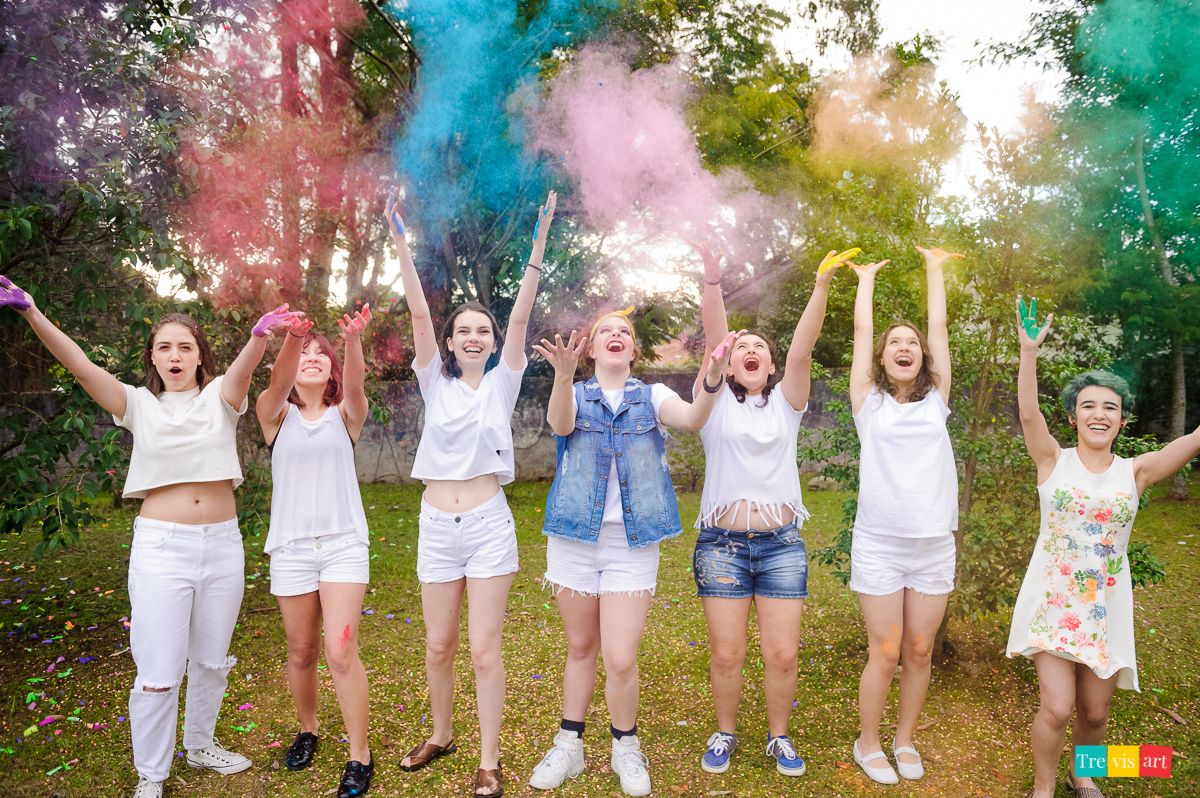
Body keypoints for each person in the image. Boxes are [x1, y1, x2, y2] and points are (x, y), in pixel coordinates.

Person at [0, 276, 296, 798]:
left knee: (209, 659)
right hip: (162, 548)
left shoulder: (221, 398)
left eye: (185, 346)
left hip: (223, 546)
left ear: (200, 358)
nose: (175, 355)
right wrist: (31, 313)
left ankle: (200, 745)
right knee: (159, 670)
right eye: (165, 347)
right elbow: (81, 367)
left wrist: (259, 339)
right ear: (154, 359)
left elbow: (245, 371)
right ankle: (152, 775)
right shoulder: (136, 404)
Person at [385, 191, 556, 798]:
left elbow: (520, 318)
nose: (476, 336)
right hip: (436, 524)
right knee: (438, 645)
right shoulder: (434, 380)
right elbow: (417, 314)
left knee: (484, 651)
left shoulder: (505, 383)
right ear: (452, 342)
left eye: (483, 329)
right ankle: (440, 734)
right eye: (466, 330)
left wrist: (537, 246)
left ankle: (489, 759)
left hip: (487, 522)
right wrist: (402, 244)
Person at [526, 309, 737, 797]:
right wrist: (561, 376)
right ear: (592, 350)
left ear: (633, 350)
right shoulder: (576, 393)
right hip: (574, 541)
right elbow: (561, 426)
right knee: (580, 648)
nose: (616, 336)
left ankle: (625, 746)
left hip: (631, 544)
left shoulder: (653, 396)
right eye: (606, 332)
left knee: (620, 657)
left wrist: (711, 376)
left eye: (625, 332)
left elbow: (692, 417)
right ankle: (569, 745)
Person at [1006, 298, 1200, 798]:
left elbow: (1194, 439)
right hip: (1054, 603)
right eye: (1088, 405)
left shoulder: (1135, 471)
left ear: (1121, 421)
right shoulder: (1052, 459)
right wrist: (1029, 352)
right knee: (1058, 707)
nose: (1099, 413)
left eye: (1109, 407)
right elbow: (1028, 414)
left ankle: (1082, 772)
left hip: (1106, 606)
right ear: (1073, 417)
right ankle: (1044, 786)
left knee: (1095, 711)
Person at [688, 244, 841, 777]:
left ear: (770, 365)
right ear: (729, 363)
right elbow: (715, 336)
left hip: (781, 546)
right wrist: (712, 279)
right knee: (727, 655)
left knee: (782, 656)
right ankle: (725, 732)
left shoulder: (786, 404)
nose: (750, 350)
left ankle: (780, 737)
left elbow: (803, 351)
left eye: (760, 347)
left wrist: (820, 286)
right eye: (741, 347)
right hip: (722, 548)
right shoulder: (709, 405)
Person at [847, 246, 960, 784]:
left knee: (920, 649)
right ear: (884, 356)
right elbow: (861, 334)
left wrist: (934, 268)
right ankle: (867, 743)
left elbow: (939, 324)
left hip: (933, 543)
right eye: (896, 342)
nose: (905, 346)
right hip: (880, 544)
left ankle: (904, 740)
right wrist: (864, 281)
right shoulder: (868, 403)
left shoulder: (938, 398)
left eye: (912, 342)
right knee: (886, 650)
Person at [256, 306, 375, 797]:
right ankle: (308, 730)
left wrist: (348, 341)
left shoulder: (345, 417)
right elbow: (276, 383)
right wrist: (293, 338)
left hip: (344, 547)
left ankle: (359, 755)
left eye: (319, 355)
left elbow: (356, 389)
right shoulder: (275, 416)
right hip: (291, 550)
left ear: (330, 368)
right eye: (306, 354)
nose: (312, 359)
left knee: (340, 648)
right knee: (301, 651)